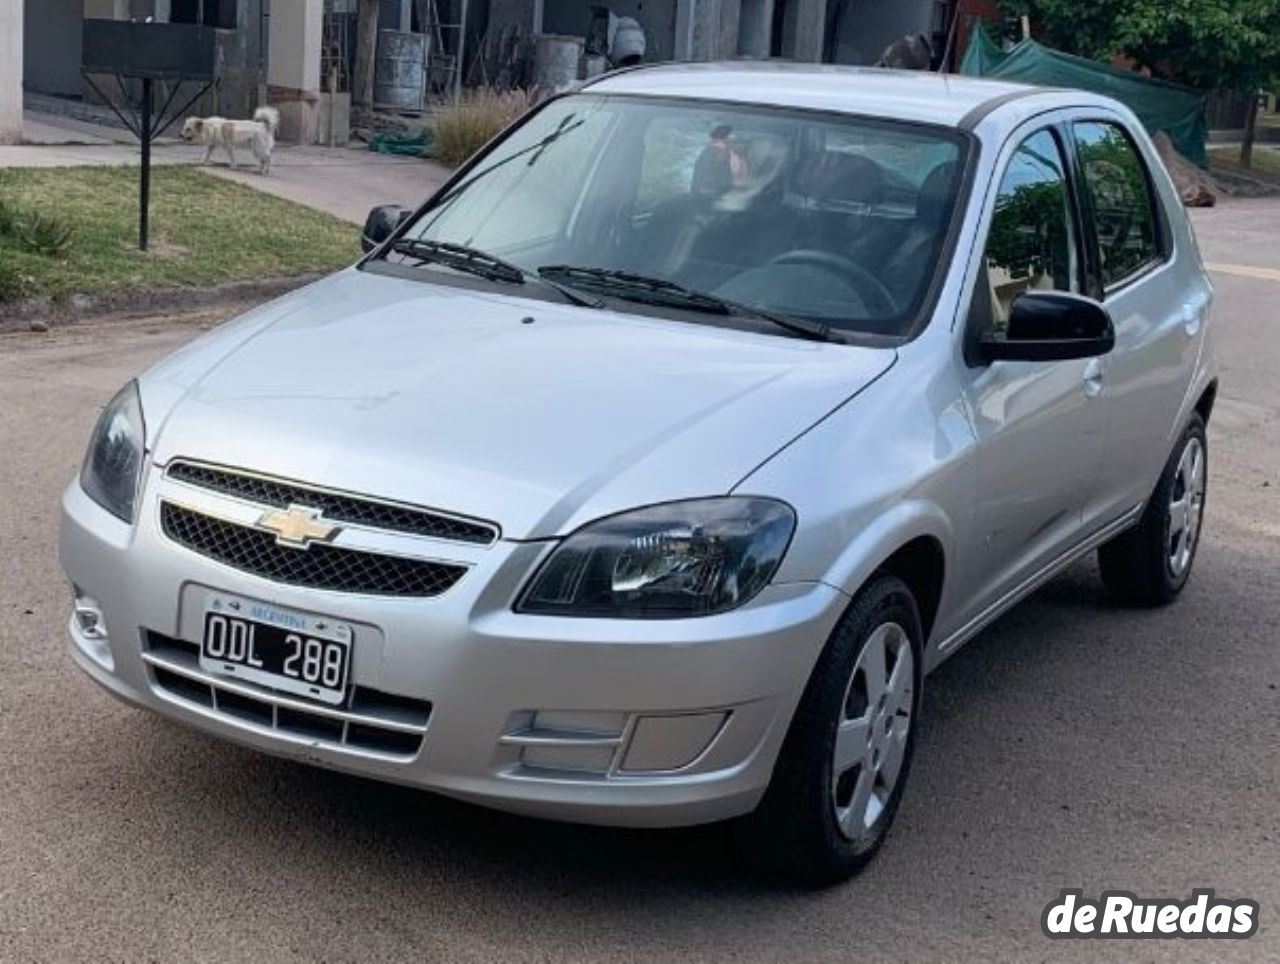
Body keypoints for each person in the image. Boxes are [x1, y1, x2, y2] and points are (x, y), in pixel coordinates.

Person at [691, 125, 748, 198]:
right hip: (714, 198)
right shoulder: (713, 152)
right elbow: (706, 184)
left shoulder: (733, 153)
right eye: (733, 137)